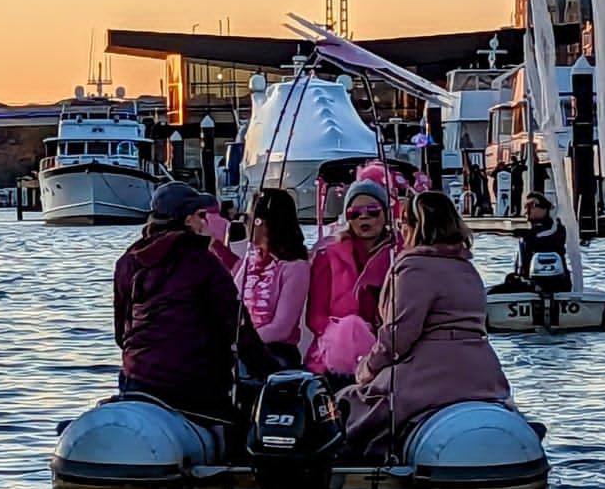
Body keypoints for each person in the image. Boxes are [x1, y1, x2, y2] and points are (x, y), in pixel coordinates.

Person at [341, 190, 512, 458]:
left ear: (413, 227)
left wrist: (366, 369)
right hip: (483, 373)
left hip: (431, 375)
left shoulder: (414, 268)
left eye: (403, 224)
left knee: (350, 405)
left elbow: (398, 337)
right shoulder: (466, 267)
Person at [114, 181, 275, 419]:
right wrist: (270, 372)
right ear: (188, 220)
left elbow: (121, 333)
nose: (206, 222)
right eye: (201, 215)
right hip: (194, 387)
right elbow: (238, 330)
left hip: (137, 381)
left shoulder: (127, 262)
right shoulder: (205, 263)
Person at [305, 175, 395, 378]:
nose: (364, 217)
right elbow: (315, 317)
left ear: (386, 215)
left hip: (386, 349)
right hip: (335, 350)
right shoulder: (328, 256)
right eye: (355, 213)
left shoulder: (399, 256)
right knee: (351, 326)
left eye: (372, 211)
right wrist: (345, 334)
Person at [213, 187, 310, 367]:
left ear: (261, 222)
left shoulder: (295, 267)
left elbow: (281, 329)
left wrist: (238, 343)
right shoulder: (251, 258)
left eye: (247, 218)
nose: (245, 224)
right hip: (241, 347)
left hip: (276, 351)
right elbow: (234, 296)